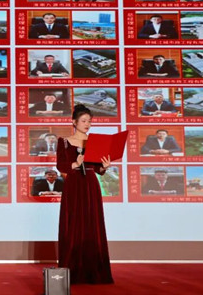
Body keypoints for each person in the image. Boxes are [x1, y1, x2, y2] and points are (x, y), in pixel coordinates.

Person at [56, 104, 114, 284]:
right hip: (73, 184)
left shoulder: (95, 142)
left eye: (89, 121)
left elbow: (97, 169)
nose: (87, 124)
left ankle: (93, 270)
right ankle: (72, 269)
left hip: (90, 184)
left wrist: (104, 167)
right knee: (73, 223)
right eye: (83, 121)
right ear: (74, 122)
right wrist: (75, 164)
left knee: (92, 223)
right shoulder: (64, 142)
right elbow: (60, 165)